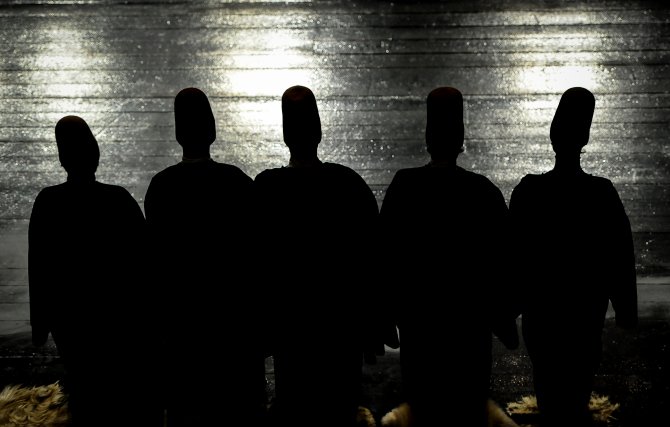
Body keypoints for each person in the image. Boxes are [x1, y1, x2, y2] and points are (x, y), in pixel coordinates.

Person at [378, 87, 518, 427]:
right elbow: (503, 263)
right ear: (460, 139)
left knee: (425, 406)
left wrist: (386, 316)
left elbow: (385, 256)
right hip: (469, 330)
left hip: (420, 325)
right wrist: (502, 319)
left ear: (428, 138)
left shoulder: (404, 186)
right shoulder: (483, 191)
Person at [254, 85, 392, 427]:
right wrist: (373, 326)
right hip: (339, 330)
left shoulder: (267, 190)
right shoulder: (348, 185)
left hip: (291, 328)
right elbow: (372, 262)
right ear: (318, 131)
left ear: (286, 134)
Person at [509, 87, 638, 427]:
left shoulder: (529, 192)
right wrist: (625, 309)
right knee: (579, 380)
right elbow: (620, 255)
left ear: (553, 136)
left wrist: (508, 307)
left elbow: (514, 255)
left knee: (547, 379)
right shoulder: (601, 194)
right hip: (584, 309)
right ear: (585, 137)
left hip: (542, 310)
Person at [144, 87, 267, 427]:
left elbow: (155, 264)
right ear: (212, 129)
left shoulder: (161, 187)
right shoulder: (237, 183)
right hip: (232, 329)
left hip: (183, 329)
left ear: (177, 133)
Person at [29, 115, 161, 427]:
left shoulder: (48, 202)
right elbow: (145, 261)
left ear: (62, 157)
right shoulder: (118, 199)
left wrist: (40, 324)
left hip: (70, 318)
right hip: (115, 317)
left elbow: (39, 265)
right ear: (95, 154)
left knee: (82, 388)